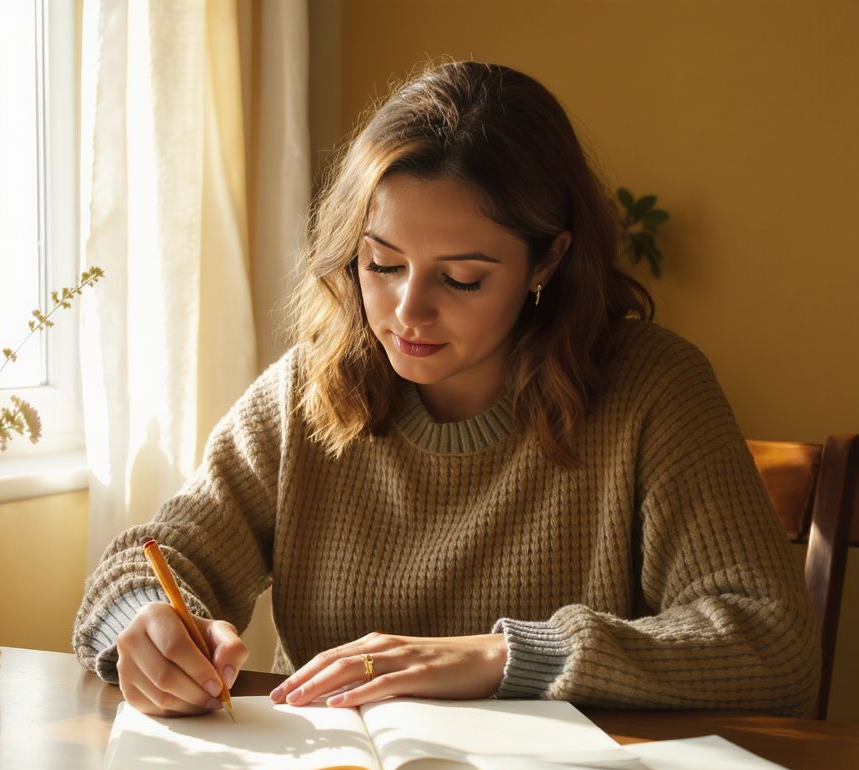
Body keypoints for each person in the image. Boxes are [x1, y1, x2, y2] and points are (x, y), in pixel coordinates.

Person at [72, 60, 819, 718]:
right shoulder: (309, 390)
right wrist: (145, 622)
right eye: (382, 263)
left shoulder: (653, 391)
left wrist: (503, 659)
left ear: (547, 262)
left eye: (461, 277)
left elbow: (772, 645)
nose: (407, 311)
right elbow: (150, 562)